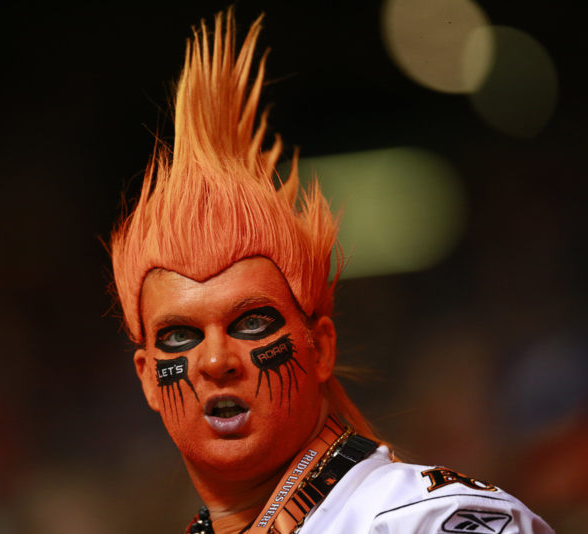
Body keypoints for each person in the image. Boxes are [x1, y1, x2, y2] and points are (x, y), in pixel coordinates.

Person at [110, 10, 554, 534]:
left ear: (320, 347)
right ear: (147, 378)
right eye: (179, 334)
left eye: (251, 322)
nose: (214, 360)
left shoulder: (427, 520)